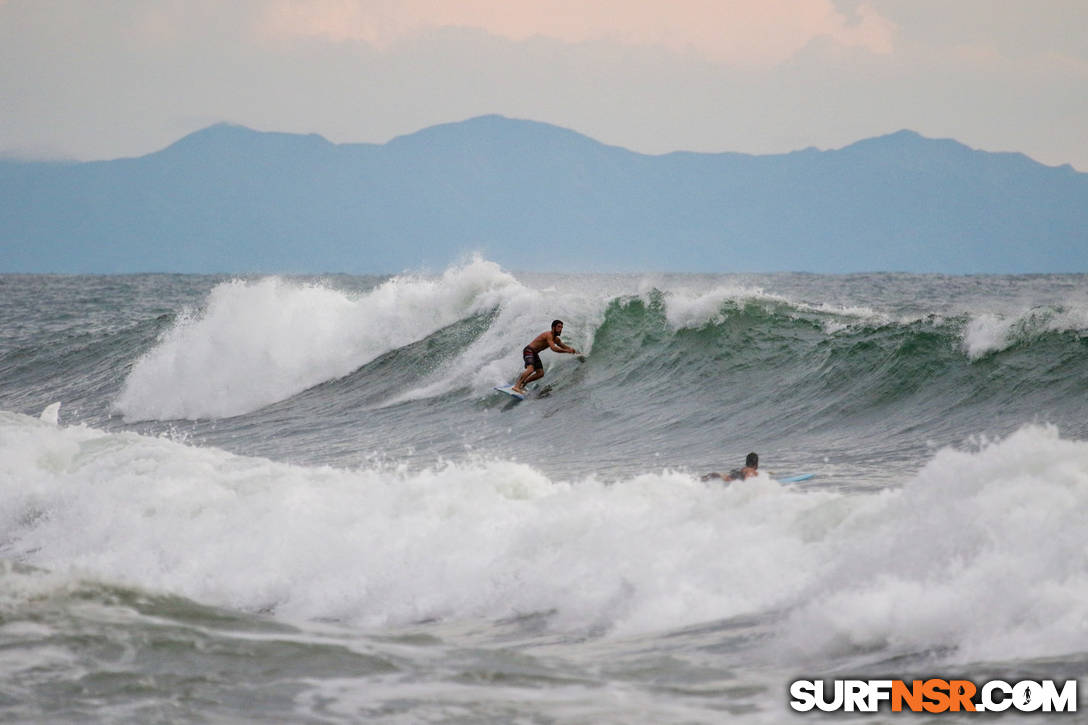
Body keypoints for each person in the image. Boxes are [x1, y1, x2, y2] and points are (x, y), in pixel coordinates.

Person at [511, 319, 578, 395]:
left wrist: (575, 352)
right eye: (559, 327)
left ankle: (523, 383)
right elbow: (554, 348)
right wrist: (566, 351)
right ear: (553, 327)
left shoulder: (556, 339)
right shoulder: (548, 335)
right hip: (529, 350)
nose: (561, 329)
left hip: (535, 354)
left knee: (540, 373)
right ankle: (516, 386)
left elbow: (565, 347)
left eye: (562, 327)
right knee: (531, 369)